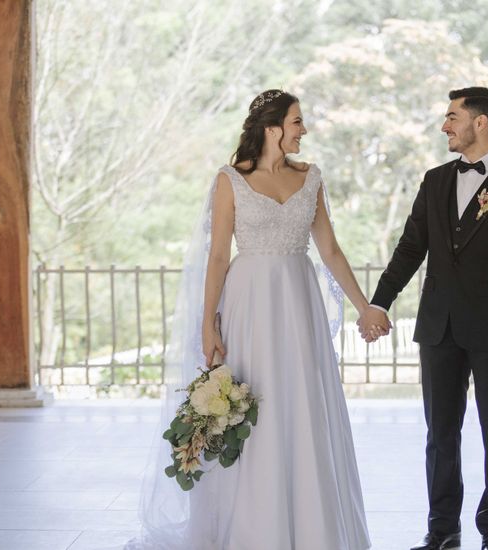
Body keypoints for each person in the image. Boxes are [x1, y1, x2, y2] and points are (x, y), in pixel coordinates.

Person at [130, 89, 373, 550]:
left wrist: (365, 307)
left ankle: (310, 528)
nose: (304, 130)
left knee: (300, 404)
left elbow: (331, 251)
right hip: (248, 304)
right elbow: (219, 254)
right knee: (254, 405)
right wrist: (208, 323)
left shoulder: (311, 178)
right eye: (298, 122)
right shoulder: (231, 179)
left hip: (299, 304)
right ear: (272, 128)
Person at [358, 87, 488, 550]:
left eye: (452, 117)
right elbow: (410, 249)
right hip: (439, 327)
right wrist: (379, 302)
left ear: (480, 123)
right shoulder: (435, 180)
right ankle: (442, 529)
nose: (445, 126)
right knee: (440, 432)